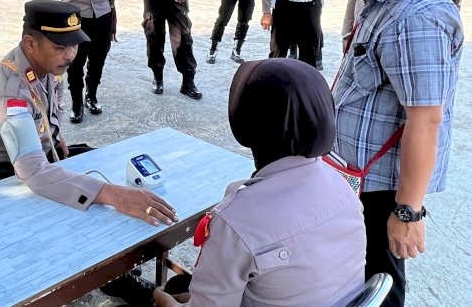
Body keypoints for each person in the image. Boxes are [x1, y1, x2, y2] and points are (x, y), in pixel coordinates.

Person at [326, 0, 463, 306]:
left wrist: (407, 212)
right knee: (354, 274)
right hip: (360, 178)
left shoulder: (414, 15)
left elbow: (426, 119)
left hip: (385, 189)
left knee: (379, 286)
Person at [154, 58, 366, 307]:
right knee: (183, 286)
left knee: (165, 292)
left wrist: (166, 303)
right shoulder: (342, 186)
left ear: (245, 121)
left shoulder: (237, 220)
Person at [0, 0, 178, 224]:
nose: (70, 55)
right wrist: (114, 195)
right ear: (30, 44)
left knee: (105, 168)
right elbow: (33, 172)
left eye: (73, 45)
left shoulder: (47, 64)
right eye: (60, 47)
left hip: (39, 164)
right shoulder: (11, 93)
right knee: (96, 211)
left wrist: (55, 138)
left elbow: (47, 111)